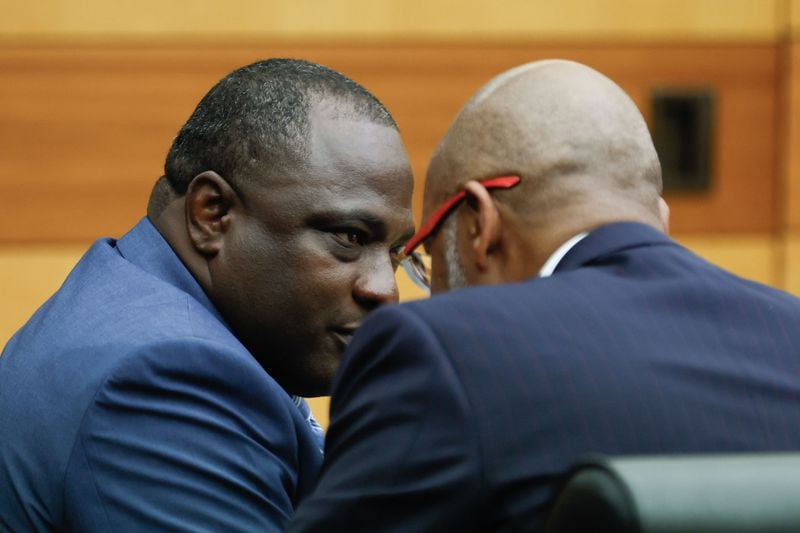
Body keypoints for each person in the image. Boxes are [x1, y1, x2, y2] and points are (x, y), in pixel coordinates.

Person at [288, 59, 800, 532]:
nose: (421, 290)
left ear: (479, 226)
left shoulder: (444, 353)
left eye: (424, 258)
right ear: (659, 218)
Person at [0, 58, 414, 531]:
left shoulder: (139, 301)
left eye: (398, 251)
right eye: (350, 237)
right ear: (211, 214)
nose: (386, 289)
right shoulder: (167, 376)